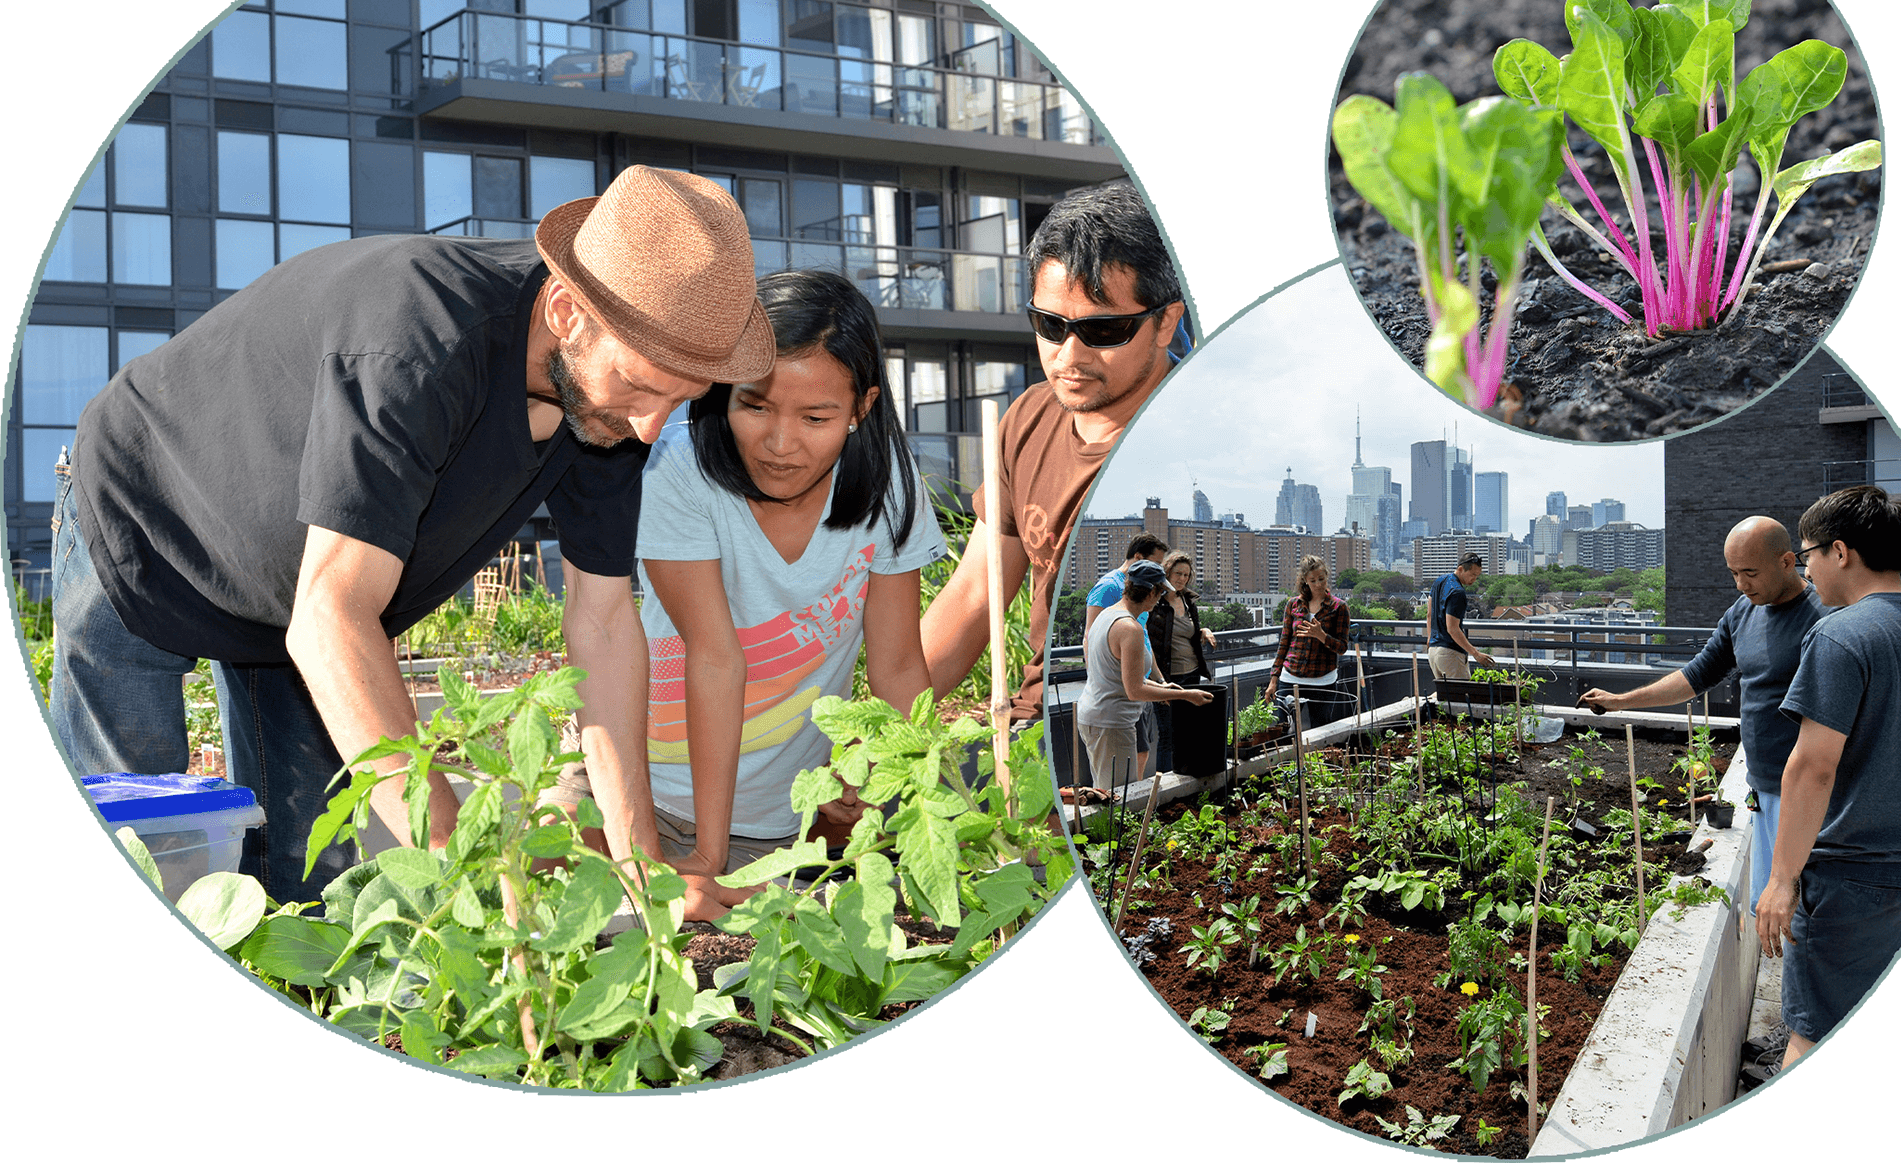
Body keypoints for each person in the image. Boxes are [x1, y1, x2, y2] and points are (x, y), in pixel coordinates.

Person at [49, 165, 770, 907]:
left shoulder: (609, 406)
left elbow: (607, 624)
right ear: (565, 311)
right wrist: (459, 866)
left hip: (298, 593)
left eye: (680, 400)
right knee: (147, 851)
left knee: (315, 893)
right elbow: (331, 621)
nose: (651, 426)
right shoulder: (418, 342)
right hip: (146, 515)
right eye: (643, 386)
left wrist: (644, 873)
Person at [551, 269, 945, 922]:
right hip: (625, 786)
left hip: (769, 819)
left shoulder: (890, 490)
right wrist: (705, 853)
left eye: (816, 417)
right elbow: (714, 655)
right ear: (721, 391)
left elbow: (900, 668)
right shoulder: (680, 467)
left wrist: (901, 791)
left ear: (862, 409)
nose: (780, 442)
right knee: (547, 914)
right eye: (754, 406)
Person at [919, 181, 1186, 732]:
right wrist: (880, 727)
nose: (1069, 355)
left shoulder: (1186, 435)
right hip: (1037, 722)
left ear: (1165, 321)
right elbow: (975, 593)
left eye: (1103, 330)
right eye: (1050, 325)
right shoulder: (1028, 418)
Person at [1756, 486, 1901, 1073]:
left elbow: (1812, 764)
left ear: (1841, 551)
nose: (1805, 569)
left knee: (1812, 1035)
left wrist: (1780, 880)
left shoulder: (1840, 635)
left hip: (1856, 882)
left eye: (1807, 555)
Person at [1579, 516, 1829, 916]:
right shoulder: (1742, 612)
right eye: (1733, 573)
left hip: (1809, 794)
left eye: (1750, 573)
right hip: (1764, 787)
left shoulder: (1823, 618)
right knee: (1771, 913)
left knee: (1806, 918)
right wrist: (1622, 700)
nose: (1740, 585)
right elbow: (1696, 675)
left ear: (1787, 562)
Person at [1075, 560, 1213, 790]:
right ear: (1150, 592)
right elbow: (1134, 689)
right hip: (1112, 724)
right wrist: (1187, 696)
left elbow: (1125, 675)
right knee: (1117, 800)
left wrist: (1164, 688)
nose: (1160, 598)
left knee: (1108, 792)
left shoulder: (1108, 614)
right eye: (1160, 592)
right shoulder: (1130, 628)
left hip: (1098, 717)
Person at [1086, 532, 1170, 773]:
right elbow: (1091, 637)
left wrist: (1160, 680)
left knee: (1141, 750)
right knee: (1116, 778)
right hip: (1116, 697)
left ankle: (1135, 803)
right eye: (1156, 564)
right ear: (1138, 557)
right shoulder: (1108, 588)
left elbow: (1142, 639)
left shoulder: (1141, 600)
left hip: (1136, 686)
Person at [1147, 550, 1217, 774]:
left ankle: (1184, 776)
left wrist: (1203, 631)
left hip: (1191, 674)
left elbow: (1187, 632)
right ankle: (1165, 785)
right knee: (1168, 733)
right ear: (1166, 571)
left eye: (1186, 575)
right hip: (1167, 678)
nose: (1182, 579)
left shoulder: (1187, 600)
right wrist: (1158, 681)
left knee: (1188, 729)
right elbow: (1149, 642)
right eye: (1178, 573)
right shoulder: (1154, 603)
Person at [1264, 555, 1351, 729]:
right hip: (1290, 678)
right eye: (1313, 580)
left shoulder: (1339, 607)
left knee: (1321, 733)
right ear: (1305, 580)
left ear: (1327, 576)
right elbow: (1284, 644)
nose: (1318, 584)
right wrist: (1274, 680)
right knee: (1285, 730)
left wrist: (1322, 636)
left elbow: (1342, 647)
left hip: (1323, 681)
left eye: (1321, 579)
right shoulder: (1293, 605)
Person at [1427, 554, 1492, 680]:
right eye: (1472, 574)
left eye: (1477, 576)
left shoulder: (1438, 582)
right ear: (1461, 569)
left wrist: (1430, 639)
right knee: (1463, 696)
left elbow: (1429, 614)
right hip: (1450, 653)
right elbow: (1453, 629)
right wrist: (1476, 654)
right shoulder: (1457, 592)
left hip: (1433, 652)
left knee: (1445, 697)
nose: (1474, 579)